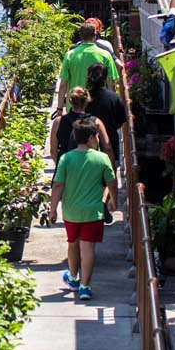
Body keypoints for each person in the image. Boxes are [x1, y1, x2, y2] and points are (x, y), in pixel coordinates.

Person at [50, 118, 118, 301]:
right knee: (88, 249)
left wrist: (52, 209)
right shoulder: (102, 158)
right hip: (93, 211)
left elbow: (58, 185)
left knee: (73, 243)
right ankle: (85, 287)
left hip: (71, 211)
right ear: (90, 138)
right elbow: (112, 183)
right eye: (96, 136)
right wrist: (113, 201)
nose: (97, 139)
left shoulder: (66, 158)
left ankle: (72, 277)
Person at [55, 21, 118, 116]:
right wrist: (112, 106)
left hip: (75, 106)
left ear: (80, 36)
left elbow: (63, 84)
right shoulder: (105, 55)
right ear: (95, 35)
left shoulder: (70, 55)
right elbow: (111, 83)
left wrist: (59, 108)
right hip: (99, 106)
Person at [50, 87, 114, 166]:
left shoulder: (58, 122)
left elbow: (53, 151)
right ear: (87, 101)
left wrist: (60, 167)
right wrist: (111, 171)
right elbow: (107, 148)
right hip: (90, 167)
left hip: (67, 169)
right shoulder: (96, 122)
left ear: (70, 101)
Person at [85, 63, 127, 170]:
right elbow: (121, 121)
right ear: (105, 77)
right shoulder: (114, 98)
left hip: (87, 148)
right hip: (111, 144)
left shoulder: (84, 98)